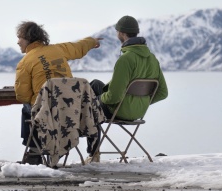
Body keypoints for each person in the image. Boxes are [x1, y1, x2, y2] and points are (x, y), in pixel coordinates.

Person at [13, 20, 100, 164]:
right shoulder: (59, 49)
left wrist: (38, 96)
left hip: (46, 112)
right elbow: (78, 47)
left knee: (27, 109)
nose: (17, 42)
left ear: (28, 39)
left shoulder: (26, 62)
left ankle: (34, 152)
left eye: (20, 38)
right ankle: (91, 151)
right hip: (72, 111)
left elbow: (22, 95)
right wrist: (91, 41)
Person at [87, 15, 168, 159]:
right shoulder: (152, 59)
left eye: (117, 31)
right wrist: (140, 102)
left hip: (121, 110)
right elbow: (162, 93)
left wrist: (98, 99)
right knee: (94, 84)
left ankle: (93, 153)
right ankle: (94, 152)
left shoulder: (125, 60)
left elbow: (114, 97)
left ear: (122, 33)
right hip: (138, 111)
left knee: (88, 104)